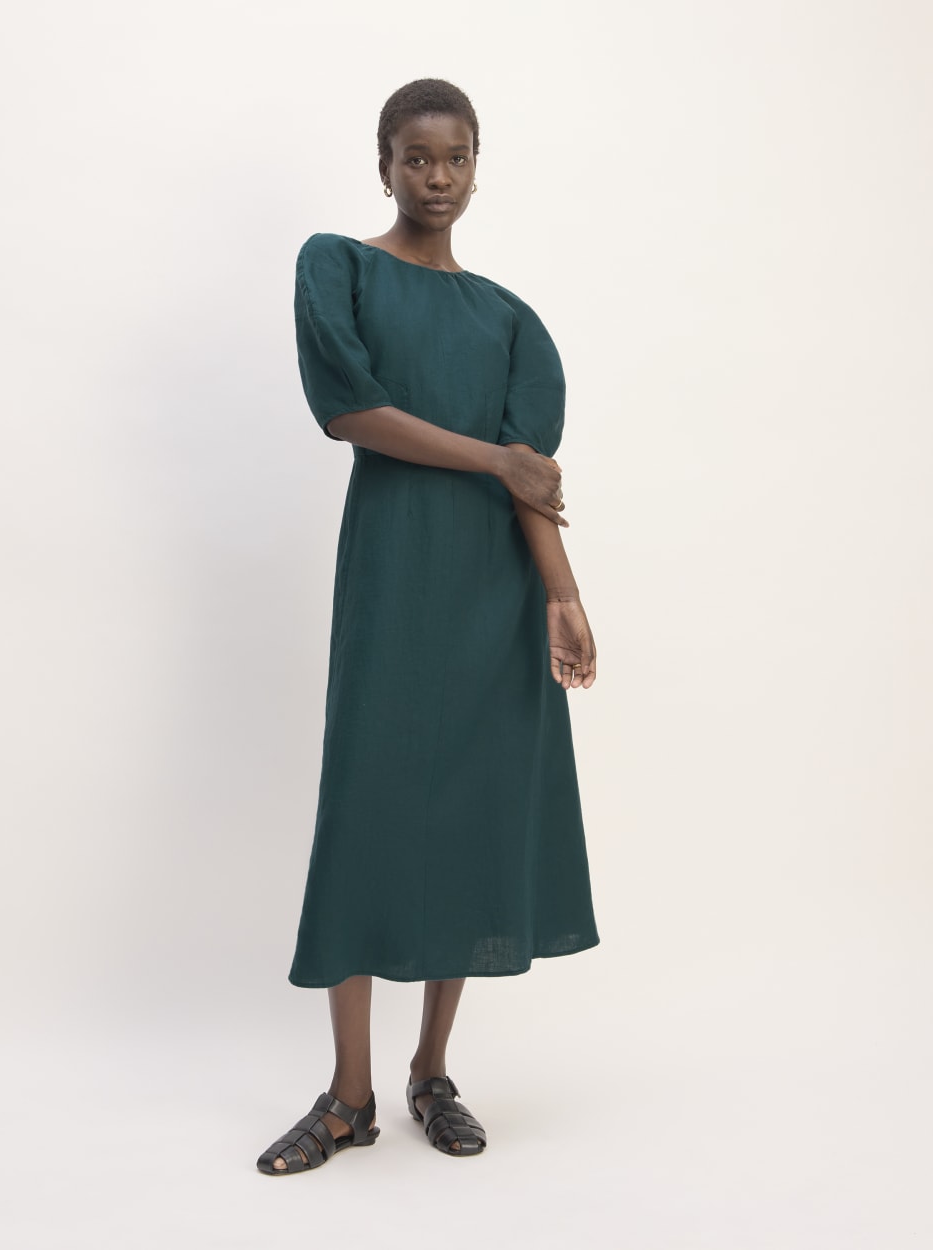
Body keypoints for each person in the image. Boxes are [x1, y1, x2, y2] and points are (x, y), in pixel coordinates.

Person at [257, 79, 599, 1175]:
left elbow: (531, 480)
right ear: (385, 165)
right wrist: (495, 457)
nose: (437, 176)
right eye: (417, 157)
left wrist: (562, 595)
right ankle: (347, 1095)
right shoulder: (339, 268)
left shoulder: (510, 319)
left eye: (455, 157)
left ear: (477, 167)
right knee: (364, 811)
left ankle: (429, 1073)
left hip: (493, 597)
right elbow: (350, 413)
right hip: (394, 577)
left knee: (470, 817)